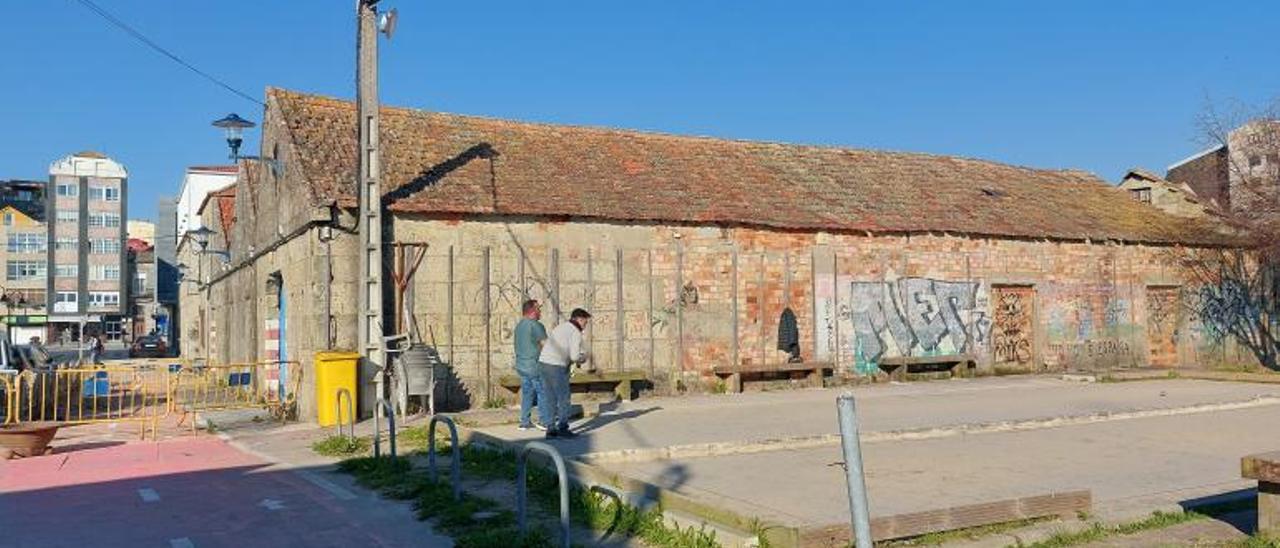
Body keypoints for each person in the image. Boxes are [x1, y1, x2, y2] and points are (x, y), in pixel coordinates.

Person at [537, 308, 591, 439]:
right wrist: (582, 358)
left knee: (549, 397)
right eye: (585, 322)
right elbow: (574, 356)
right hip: (557, 366)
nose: (585, 325)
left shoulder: (561, 327)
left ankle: (550, 429)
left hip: (543, 363)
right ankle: (563, 427)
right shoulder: (575, 332)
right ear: (579, 319)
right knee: (563, 397)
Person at [513, 299, 548, 431]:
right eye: (538, 309)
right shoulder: (536, 325)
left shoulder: (519, 325)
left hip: (521, 365)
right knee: (543, 392)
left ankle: (524, 421)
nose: (540, 312)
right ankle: (544, 421)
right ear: (533, 311)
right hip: (535, 365)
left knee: (527, 392)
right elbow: (546, 346)